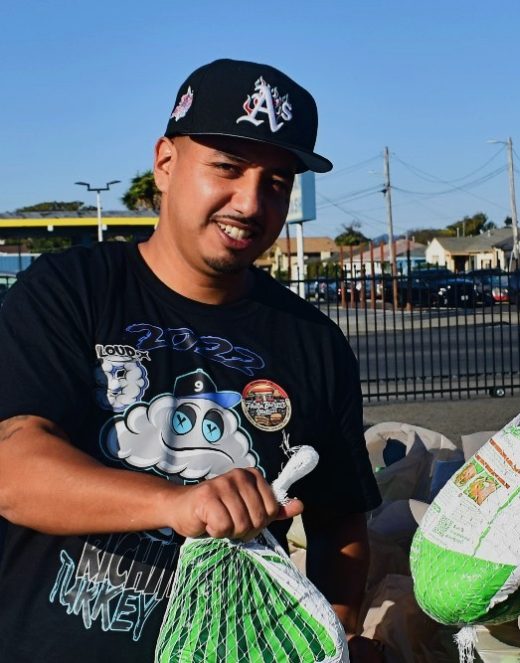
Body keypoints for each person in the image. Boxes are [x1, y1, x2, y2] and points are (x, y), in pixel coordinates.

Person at [0, 59, 384, 661]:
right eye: (227, 168)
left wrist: (335, 632)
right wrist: (178, 504)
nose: (251, 203)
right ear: (166, 163)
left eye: (277, 182)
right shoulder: (70, 288)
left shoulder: (314, 342)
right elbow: (13, 469)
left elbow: (341, 525)